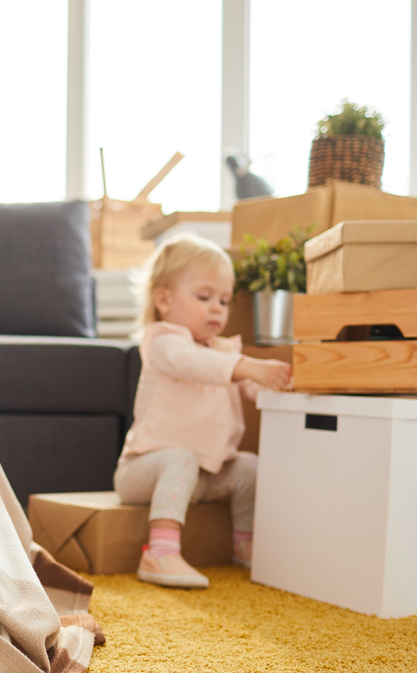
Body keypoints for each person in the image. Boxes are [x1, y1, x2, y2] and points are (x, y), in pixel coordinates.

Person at [115, 234, 293, 589]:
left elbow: (249, 387)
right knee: (180, 458)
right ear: (164, 301)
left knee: (248, 467)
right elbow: (193, 363)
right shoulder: (162, 342)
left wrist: (279, 382)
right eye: (204, 297)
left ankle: (244, 544)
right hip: (144, 471)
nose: (217, 308)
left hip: (203, 474)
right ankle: (160, 552)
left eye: (224, 300)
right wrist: (247, 365)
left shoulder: (222, 351)